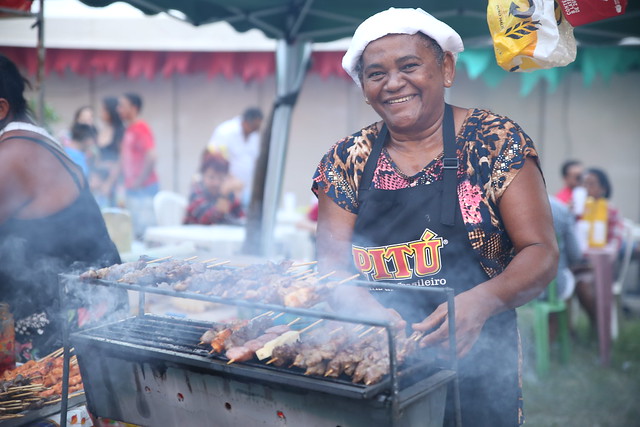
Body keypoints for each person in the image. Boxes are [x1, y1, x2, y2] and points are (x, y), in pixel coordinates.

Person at [311, 8, 557, 426]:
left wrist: (482, 301)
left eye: (410, 66)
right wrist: (366, 313)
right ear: (364, 87)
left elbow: (541, 251)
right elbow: (331, 266)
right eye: (376, 74)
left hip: (479, 354)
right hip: (377, 359)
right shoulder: (346, 159)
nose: (393, 83)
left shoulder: (494, 141)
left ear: (445, 67)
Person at [0, 54, 123, 361]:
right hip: (79, 305)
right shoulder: (28, 140)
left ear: (1, 108)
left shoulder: (12, 155)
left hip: (76, 314)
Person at [574, 167, 625, 327]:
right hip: (578, 264)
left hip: (601, 266)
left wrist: (597, 256)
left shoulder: (610, 210)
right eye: (584, 184)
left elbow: (615, 243)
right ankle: (568, 331)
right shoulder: (578, 210)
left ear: (603, 188)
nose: (586, 188)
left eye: (591, 184)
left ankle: (598, 325)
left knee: (583, 286)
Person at [118, 92, 159, 239]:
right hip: (133, 189)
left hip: (144, 189)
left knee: (145, 233)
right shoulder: (129, 129)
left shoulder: (141, 127)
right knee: (135, 232)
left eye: (122, 106)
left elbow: (152, 155)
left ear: (134, 108)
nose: (118, 109)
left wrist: (139, 181)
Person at [207, 107, 263, 209]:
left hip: (245, 189)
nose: (256, 130)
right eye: (254, 127)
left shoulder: (254, 135)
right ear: (245, 122)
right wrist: (231, 182)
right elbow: (215, 159)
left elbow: (255, 159)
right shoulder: (226, 131)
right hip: (225, 189)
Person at [184, 151, 244, 225]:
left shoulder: (228, 193)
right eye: (211, 177)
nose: (216, 183)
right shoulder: (197, 192)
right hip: (193, 235)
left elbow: (241, 217)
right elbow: (209, 219)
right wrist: (224, 194)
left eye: (221, 178)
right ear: (203, 176)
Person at [94, 96, 125, 207]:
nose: (101, 113)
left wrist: (109, 182)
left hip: (115, 180)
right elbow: (97, 157)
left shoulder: (121, 132)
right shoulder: (101, 131)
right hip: (100, 179)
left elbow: (121, 159)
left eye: (104, 110)